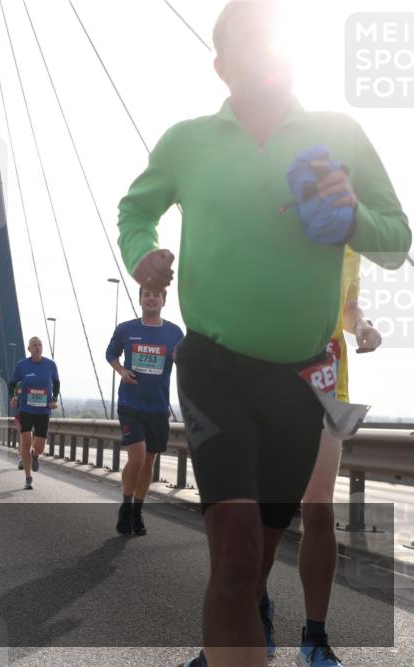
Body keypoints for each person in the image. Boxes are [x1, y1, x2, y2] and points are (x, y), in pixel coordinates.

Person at [116, 3, 410, 664]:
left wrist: (351, 218)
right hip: (213, 367)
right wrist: (141, 253)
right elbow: (136, 209)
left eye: (274, 41)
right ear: (222, 68)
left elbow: (397, 240)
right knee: (237, 553)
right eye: (249, 45)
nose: (266, 55)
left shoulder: (340, 134)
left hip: (302, 380)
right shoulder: (186, 141)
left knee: (252, 565)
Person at [256, 248, 381, 665]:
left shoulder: (350, 243)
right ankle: (254, 607)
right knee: (266, 513)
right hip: (271, 380)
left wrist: (361, 325)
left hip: (328, 385)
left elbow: (348, 305)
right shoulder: (275, 219)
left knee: (319, 508)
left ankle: (314, 638)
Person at [106, 288, 183, 534]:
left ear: (164, 301)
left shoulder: (174, 332)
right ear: (140, 299)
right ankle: (126, 506)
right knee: (137, 458)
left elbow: (182, 361)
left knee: (149, 461)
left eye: (156, 295)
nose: (151, 298)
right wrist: (121, 371)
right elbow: (110, 354)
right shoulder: (126, 329)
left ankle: (137, 511)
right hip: (131, 404)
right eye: (147, 294)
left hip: (158, 407)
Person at [10, 337, 61, 491]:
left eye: (40, 345)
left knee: (39, 447)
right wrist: (13, 396)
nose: (37, 347)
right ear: (29, 349)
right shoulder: (22, 365)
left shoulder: (50, 365)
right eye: (34, 345)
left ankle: (35, 456)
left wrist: (54, 399)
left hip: (43, 411)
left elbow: (56, 382)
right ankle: (28, 478)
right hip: (26, 409)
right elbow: (12, 383)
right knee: (26, 442)